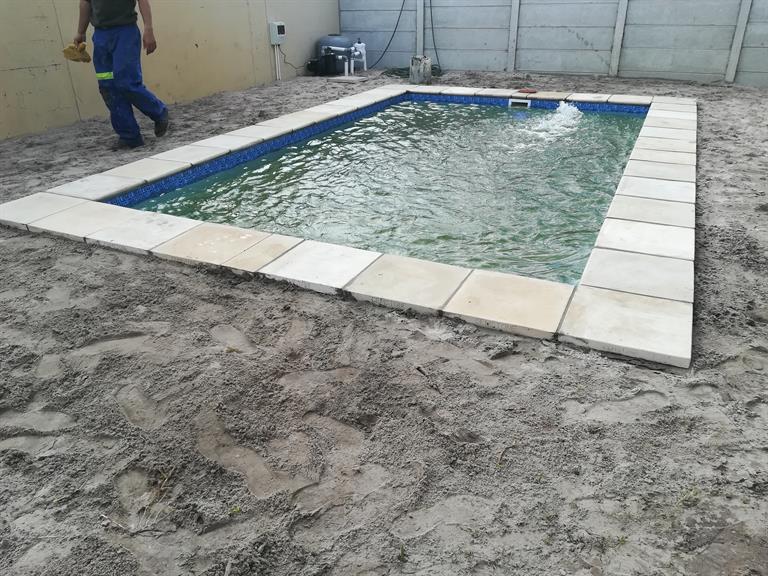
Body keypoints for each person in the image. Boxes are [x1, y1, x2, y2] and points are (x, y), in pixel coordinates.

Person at [75, 0, 170, 149]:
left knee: (126, 82)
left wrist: (148, 28)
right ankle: (130, 136)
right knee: (107, 87)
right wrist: (81, 32)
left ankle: (159, 112)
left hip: (125, 32)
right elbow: (85, 3)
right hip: (100, 36)